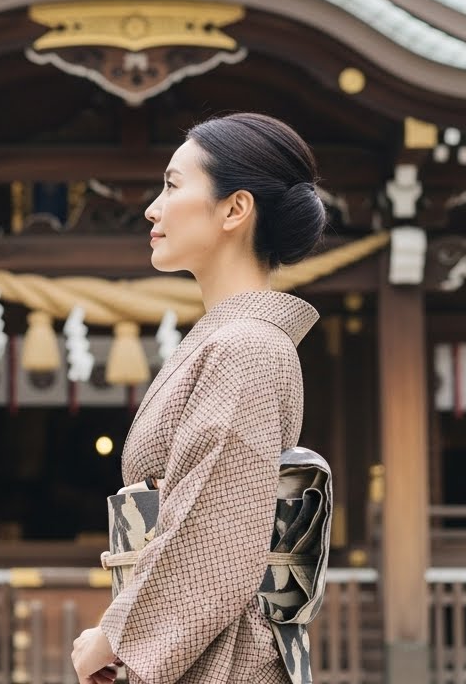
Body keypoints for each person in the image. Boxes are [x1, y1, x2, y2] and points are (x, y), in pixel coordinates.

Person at [71, 113, 327, 684]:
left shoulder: (248, 349)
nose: (151, 209)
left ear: (235, 209)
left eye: (172, 184)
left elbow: (214, 527)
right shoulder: (231, 343)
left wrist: (113, 637)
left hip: (227, 659)